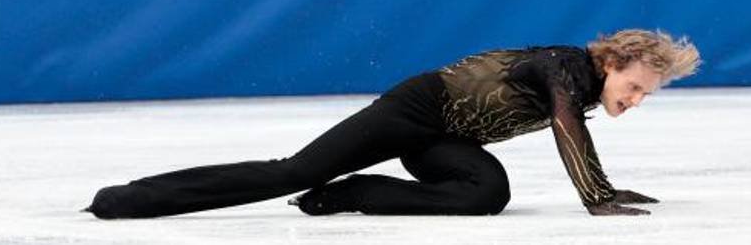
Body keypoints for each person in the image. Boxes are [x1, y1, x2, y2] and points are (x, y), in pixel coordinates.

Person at [84, 29, 701, 218]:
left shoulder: (586, 85)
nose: (638, 100)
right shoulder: (563, 69)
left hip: (445, 139)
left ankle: (353, 194)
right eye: (638, 87)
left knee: (486, 192)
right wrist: (596, 195)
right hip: (413, 109)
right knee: (289, 171)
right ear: (615, 62)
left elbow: (575, 122)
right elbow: (569, 124)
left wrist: (602, 188)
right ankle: (126, 200)